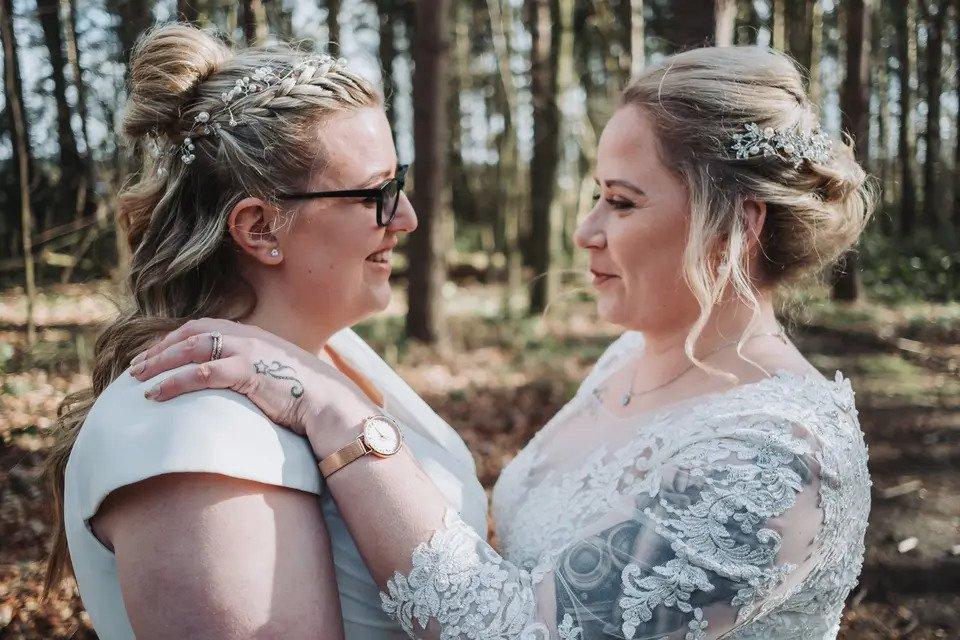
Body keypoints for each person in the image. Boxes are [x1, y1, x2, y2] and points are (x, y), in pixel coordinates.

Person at [136, 46, 875, 639]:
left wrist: (346, 422)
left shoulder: (776, 454)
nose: (586, 230)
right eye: (595, 193)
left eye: (621, 201)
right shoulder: (630, 359)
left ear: (736, 226)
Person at [45, 23, 487, 640]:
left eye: (400, 182)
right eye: (376, 194)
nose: (406, 218)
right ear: (259, 229)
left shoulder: (328, 355)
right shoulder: (189, 433)